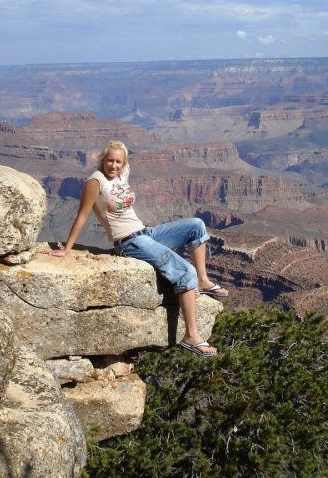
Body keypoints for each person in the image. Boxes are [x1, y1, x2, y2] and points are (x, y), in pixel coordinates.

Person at [42, 140, 229, 357]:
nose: (114, 165)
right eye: (110, 160)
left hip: (147, 233)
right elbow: (82, 215)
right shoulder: (96, 181)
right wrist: (66, 249)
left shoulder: (122, 173)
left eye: (118, 162)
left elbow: (133, 157)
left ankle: (204, 281)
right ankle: (192, 336)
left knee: (197, 225)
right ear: (102, 160)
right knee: (186, 272)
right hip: (130, 242)